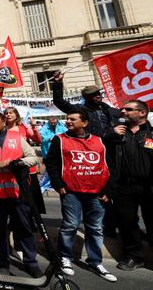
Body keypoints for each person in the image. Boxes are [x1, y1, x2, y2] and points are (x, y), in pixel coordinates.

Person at [44, 110, 116, 282]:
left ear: (84, 123)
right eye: (67, 118)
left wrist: (108, 190)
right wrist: (59, 185)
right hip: (71, 192)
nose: (68, 121)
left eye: (72, 119)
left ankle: (95, 261)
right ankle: (65, 258)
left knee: (95, 228)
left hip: (96, 193)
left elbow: (110, 166)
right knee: (70, 225)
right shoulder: (60, 139)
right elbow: (51, 163)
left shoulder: (99, 141)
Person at [0, 109, 42, 278]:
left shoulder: (17, 137)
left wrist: (20, 163)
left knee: (24, 229)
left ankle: (31, 263)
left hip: (17, 192)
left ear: (3, 121)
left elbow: (32, 157)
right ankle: (3, 262)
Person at [106, 100, 153, 271]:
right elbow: (102, 149)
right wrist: (111, 135)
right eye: (122, 109)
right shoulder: (116, 132)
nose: (123, 111)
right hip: (123, 187)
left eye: (128, 109)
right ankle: (134, 256)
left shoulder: (151, 132)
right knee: (127, 223)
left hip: (149, 186)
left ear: (142, 113)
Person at [39, 116, 66, 193]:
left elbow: (66, 133)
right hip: (48, 153)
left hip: (59, 153)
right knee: (49, 171)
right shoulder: (44, 128)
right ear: (48, 122)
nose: (54, 124)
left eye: (55, 122)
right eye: (52, 123)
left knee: (55, 171)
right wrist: (51, 138)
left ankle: (50, 184)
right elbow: (41, 138)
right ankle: (42, 186)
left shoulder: (61, 127)